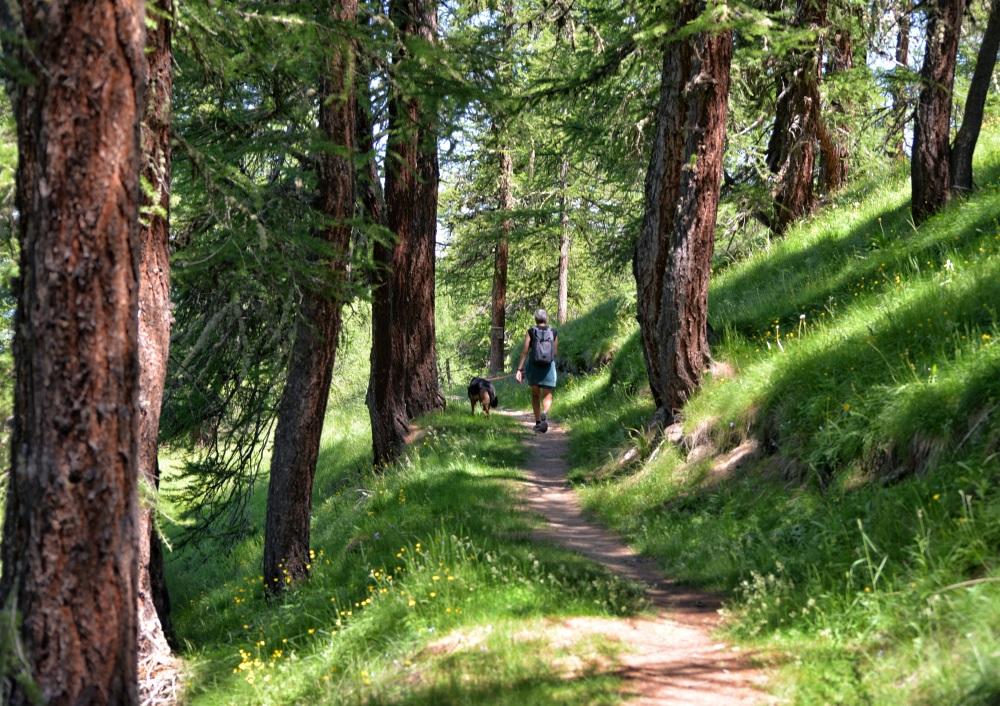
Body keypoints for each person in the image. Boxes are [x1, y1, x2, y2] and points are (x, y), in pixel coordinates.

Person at [514, 308, 558, 433]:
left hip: (534, 367)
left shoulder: (531, 332)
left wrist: (519, 369)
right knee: (548, 394)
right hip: (549, 367)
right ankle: (544, 413)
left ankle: (538, 422)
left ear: (535, 319)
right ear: (546, 318)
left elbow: (525, 352)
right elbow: (555, 352)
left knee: (535, 394)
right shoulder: (553, 332)